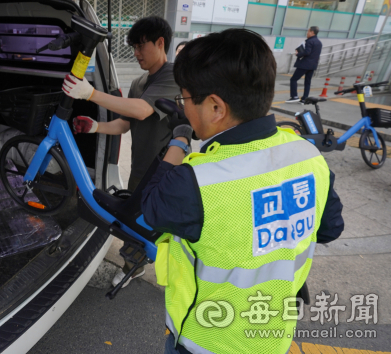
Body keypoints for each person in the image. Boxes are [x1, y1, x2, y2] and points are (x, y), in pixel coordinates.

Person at [141, 29, 343, 354]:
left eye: (185, 98)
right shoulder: (308, 155)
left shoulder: (196, 181)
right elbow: (330, 229)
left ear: (216, 107)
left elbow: (148, 208)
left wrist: (180, 138)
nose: (184, 107)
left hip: (205, 342)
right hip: (273, 337)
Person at [62, 16, 181, 289]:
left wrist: (90, 94)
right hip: (141, 169)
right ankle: (133, 266)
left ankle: (177, 272)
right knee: (135, 223)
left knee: (166, 225)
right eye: (133, 48)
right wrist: (96, 127)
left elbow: (142, 110)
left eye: (141, 47)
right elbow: (126, 123)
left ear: (160, 43)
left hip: (166, 171)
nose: (136, 54)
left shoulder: (173, 76)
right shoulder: (139, 82)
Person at [286, 26, 323, 103]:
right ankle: (304, 99)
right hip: (313, 65)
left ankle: (294, 96)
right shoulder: (319, 42)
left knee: (293, 79)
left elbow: (307, 52)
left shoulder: (309, 41)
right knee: (307, 82)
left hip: (305, 64)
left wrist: (298, 53)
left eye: (308, 31)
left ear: (312, 32)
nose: (307, 33)